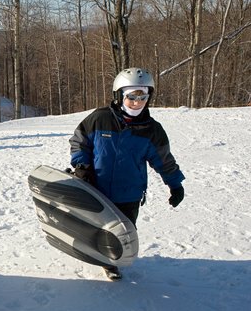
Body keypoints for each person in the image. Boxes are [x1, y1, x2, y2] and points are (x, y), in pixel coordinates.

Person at [69, 67, 185, 281]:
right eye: (131, 96)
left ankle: (112, 262)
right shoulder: (99, 118)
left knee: (122, 233)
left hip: (129, 194)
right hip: (97, 187)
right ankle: (100, 257)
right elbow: (79, 142)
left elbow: (164, 160)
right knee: (99, 227)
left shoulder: (152, 130)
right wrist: (82, 167)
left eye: (142, 96)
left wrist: (175, 184)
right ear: (119, 95)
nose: (137, 102)